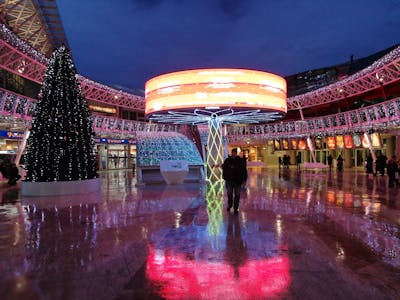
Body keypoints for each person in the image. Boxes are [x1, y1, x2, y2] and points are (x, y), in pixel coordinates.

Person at [222, 148, 247, 214]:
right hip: (229, 180)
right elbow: (224, 168)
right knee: (229, 193)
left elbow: (244, 170)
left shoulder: (240, 161)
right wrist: (225, 176)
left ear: (236, 153)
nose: (233, 154)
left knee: (237, 195)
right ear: (231, 153)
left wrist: (244, 180)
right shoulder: (227, 160)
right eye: (233, 153)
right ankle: (230, 205)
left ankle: (236, 207)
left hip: (238, 181)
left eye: (235, 153)